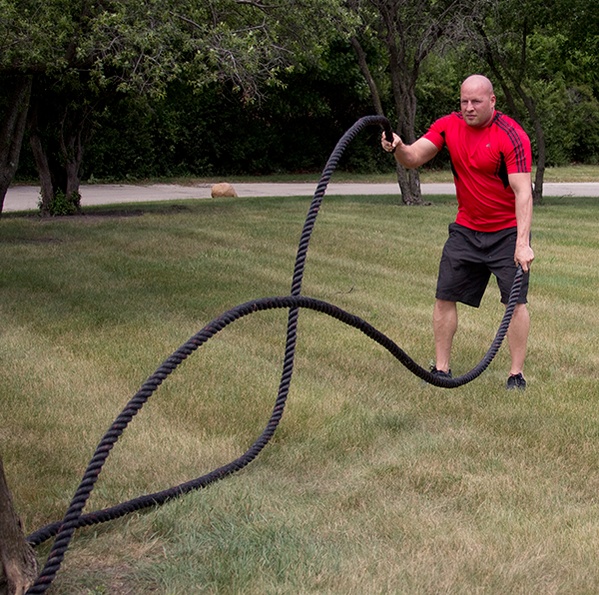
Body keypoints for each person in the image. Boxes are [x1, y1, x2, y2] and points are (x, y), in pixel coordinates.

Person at [381, 74, 534, 390]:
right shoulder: (448, 126)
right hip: (466, 229)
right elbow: (413, 158)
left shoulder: (512, 135)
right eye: (464, 101)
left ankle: (516, 374)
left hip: (507, 231)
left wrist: (522, 243)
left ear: (492, 100)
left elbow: (523, 192)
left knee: (515, 302)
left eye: (476, 101)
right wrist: (398, 147)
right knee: (444, 296)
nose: (469, 107)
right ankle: (441, 369)